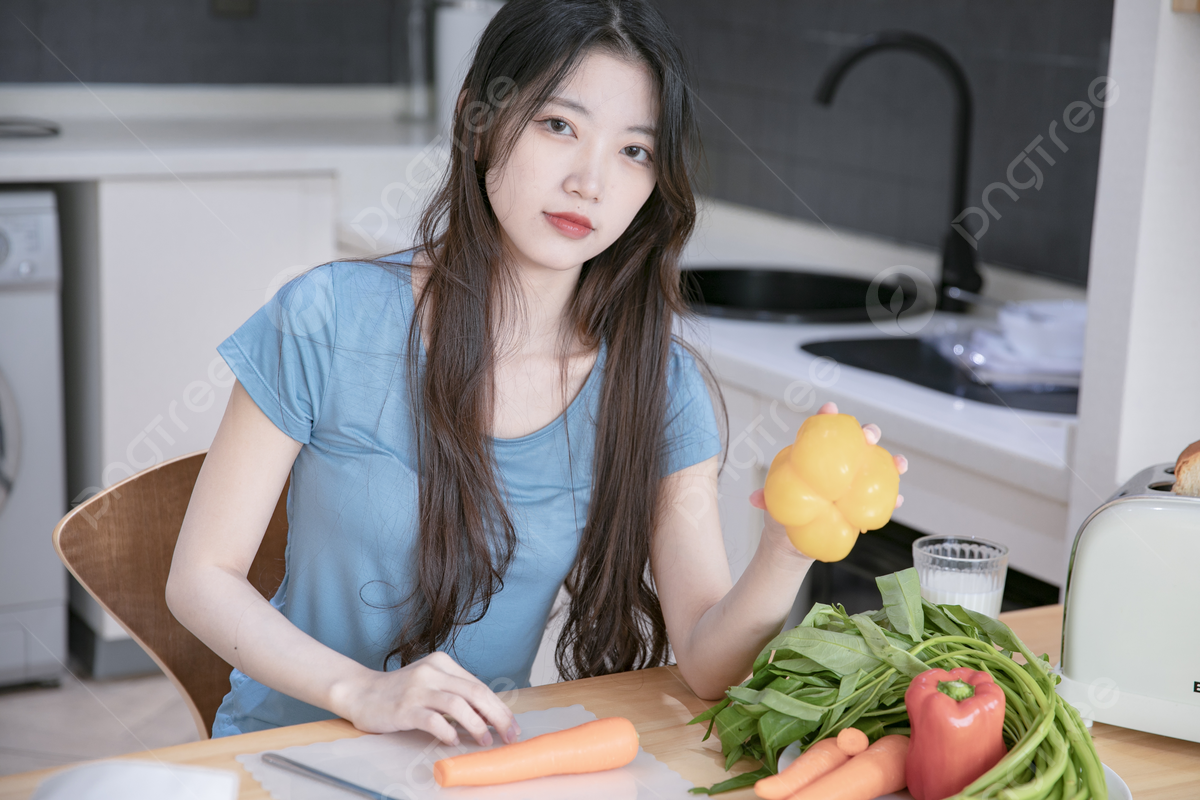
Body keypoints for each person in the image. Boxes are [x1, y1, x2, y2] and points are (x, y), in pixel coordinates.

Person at [166, 0, 908, 746]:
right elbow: (200, 578)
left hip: (475, 769)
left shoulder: (657, 388)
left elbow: (710, 666)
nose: (591, 181)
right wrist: (363, 693)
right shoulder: (328, 317)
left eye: (634, 151)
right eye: (560, 126)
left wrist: (786, 550)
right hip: (283, 758)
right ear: (479, 122)